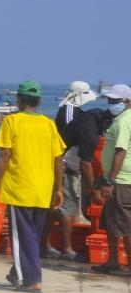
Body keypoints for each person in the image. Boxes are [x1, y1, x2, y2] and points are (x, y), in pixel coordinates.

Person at [0, 81, 66, 293]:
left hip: (19, 187)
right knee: (32, 235)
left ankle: (33, 279)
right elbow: (58, 159)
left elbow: (5, 155)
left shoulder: (11, 121)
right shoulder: (48, 124)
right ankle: (16, 272)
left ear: (19, 99)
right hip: (43, 188)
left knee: (23, 236)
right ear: (39, 101)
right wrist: (59, 189)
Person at [46, 80, 102, 260]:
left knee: (55, 208)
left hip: (67, 164)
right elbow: (67, 139)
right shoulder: (69, 110)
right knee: (66, 208)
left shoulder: (74, 111)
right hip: (66, 165)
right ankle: (67, 249)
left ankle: (45, 244)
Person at [93, 84, 131, 275]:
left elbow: (121, 151)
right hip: (119, 178)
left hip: (121, 181)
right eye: (110, 100)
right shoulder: (122, 118)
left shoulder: (124, 121)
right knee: (112, 222)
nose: (111, 104)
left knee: (124, 223)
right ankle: (113, 261)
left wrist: (110, 181)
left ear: (127, 102)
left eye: (115, 101)